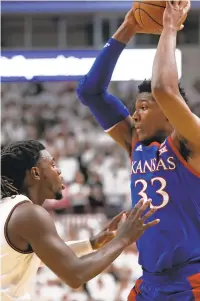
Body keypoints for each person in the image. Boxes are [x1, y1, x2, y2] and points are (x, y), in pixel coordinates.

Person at [77, 1, 200, 300]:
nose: (134, 115)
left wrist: (169, 27)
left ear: (171, 114)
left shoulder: (192, 141)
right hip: (149, 282)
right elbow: (90, 92)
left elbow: (164, 90)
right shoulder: (136, 142)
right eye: (135, 108)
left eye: (143, 108)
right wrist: (129, 26)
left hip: (192, 281)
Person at [0, 140, 159, 301]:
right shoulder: (29, 214)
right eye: (53, 165)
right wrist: (123, 239)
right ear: (35, 173)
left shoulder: (8, 208)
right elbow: (76, 275)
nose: (60, 170)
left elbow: (41, 257)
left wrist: (92, 243)